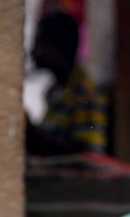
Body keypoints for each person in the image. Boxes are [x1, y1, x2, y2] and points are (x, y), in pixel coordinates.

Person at [26, 11, 111, 156]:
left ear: (59, 47)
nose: (33, 52)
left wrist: (32, 131)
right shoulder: (56, 91)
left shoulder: (85, 92)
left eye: (40, 44)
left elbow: (89, 156)